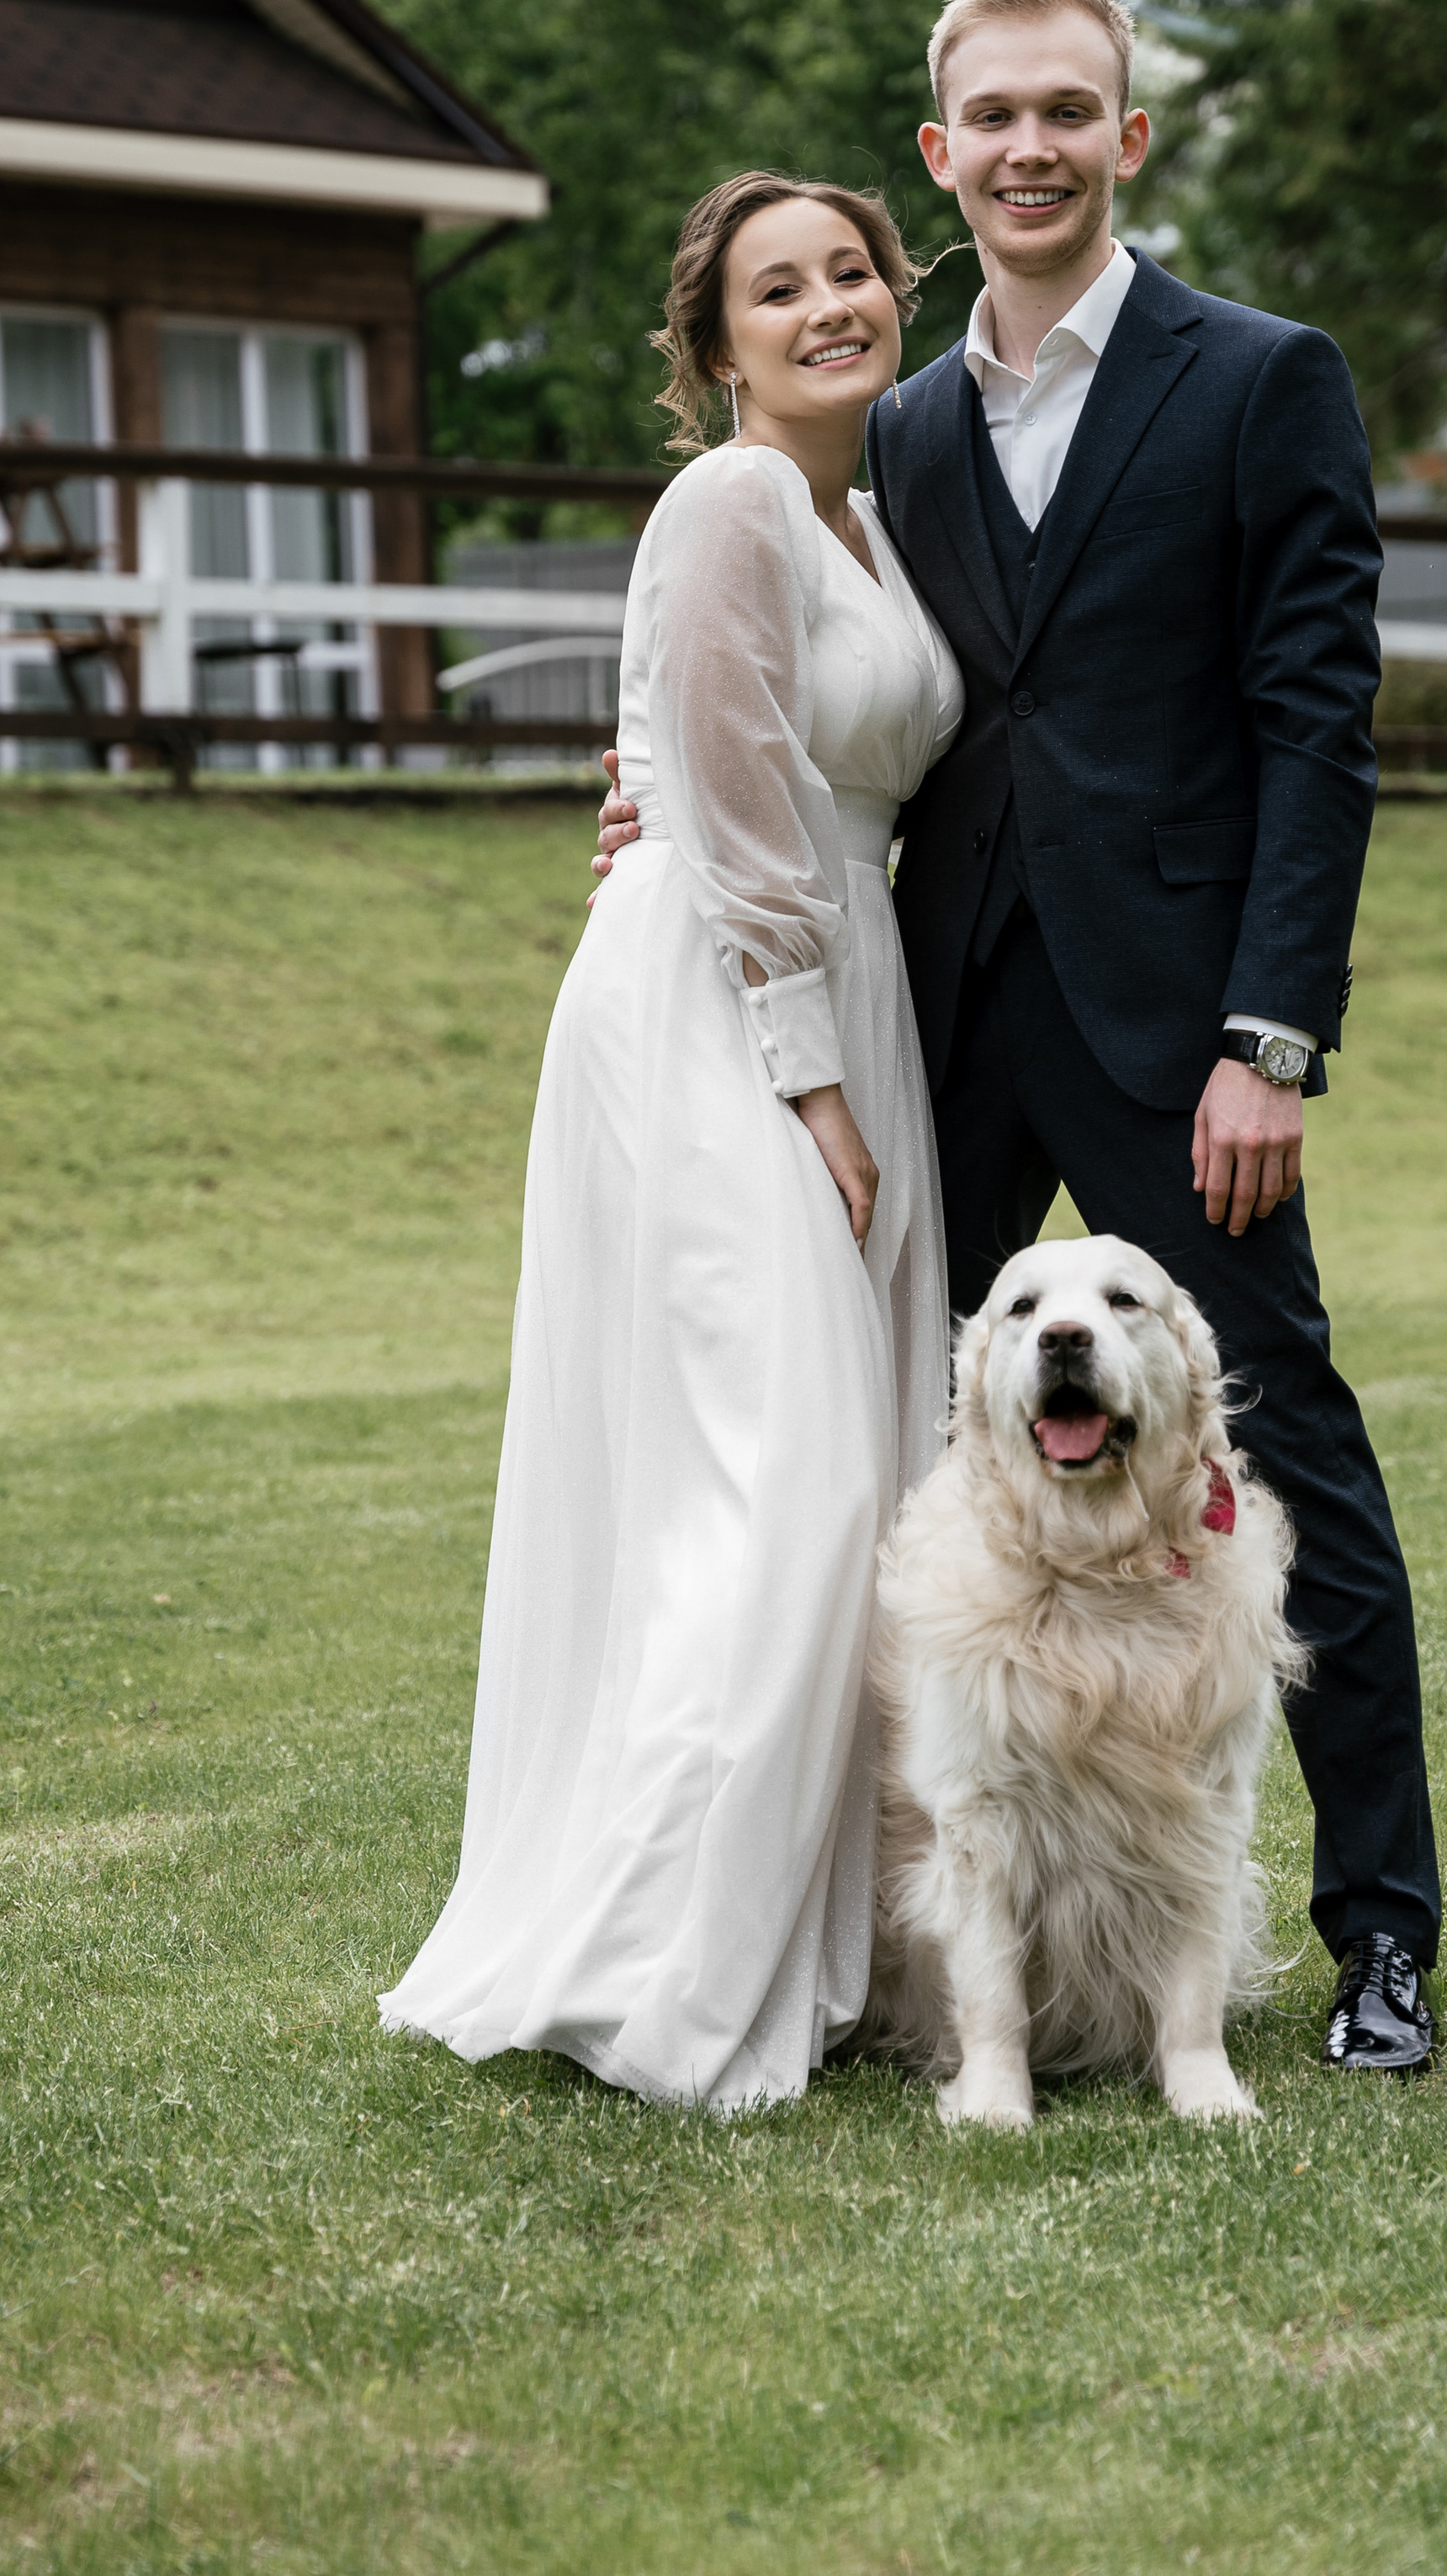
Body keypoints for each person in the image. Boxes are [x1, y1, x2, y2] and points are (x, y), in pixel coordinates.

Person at [597, 0, 1442, 2075]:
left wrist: (1274, 1031)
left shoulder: (1258, 380)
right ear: (939, 156)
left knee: (1290, 1458)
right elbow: (761, 681)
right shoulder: (877, 429)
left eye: (1071, 109)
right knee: (891, 1455)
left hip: (1182, 1036)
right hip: (937, 1023)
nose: (1032, 146)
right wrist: (649, 792)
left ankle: (1376, 1940)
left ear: (1126, 138)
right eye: (993, 118)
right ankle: (870, 1955)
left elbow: (1314, 728)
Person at [380, 173, 963, 2110]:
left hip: (840, 980)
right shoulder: (725, 501)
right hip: (720, 1013)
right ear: (713, 348)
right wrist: (810, 1080)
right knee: (778, 1488)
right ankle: (652, 1968)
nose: (824, 308)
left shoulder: (864, 521)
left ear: (900, 291)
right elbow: (714, 792)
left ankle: (812, 1959)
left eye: (851, 273)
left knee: (847, 1478)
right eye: (773, 290)